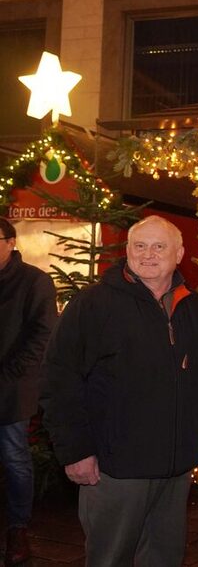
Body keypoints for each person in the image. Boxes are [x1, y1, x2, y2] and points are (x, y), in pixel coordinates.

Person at [40, 215, 198, 566]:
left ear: (179, 253)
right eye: (140, 245)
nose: (148, 254)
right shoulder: (93, 305)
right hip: (115, 469)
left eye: (159, 246)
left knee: (164, 558)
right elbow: (59, 379)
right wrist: (75, 451)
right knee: (109, 559)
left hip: (175, 470)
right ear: (128, 251)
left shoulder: (194, 308)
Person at [0, 218, 56, 566]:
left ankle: (18, 529)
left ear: (10, 242)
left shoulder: (35, 281)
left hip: (10, 389)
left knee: (15, 459)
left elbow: (41, 336)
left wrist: (8, 374)